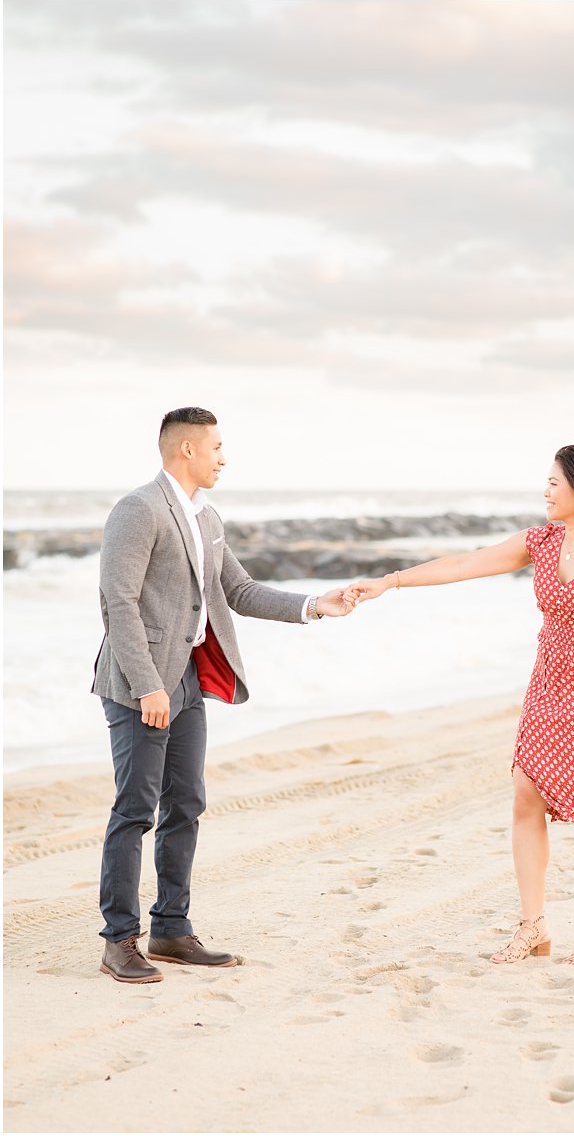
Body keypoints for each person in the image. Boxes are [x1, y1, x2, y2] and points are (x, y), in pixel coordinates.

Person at [348, 444, 574, 965]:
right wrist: (390, 582)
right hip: (549, 684)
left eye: (554, 482)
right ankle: (533, 927)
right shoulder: (542, 542)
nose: (546, 491)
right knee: (527, 796)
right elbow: (464, 564)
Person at [94, 407, 356, 984]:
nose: (223, 457)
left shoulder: (206, 516)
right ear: (186, 450)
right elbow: (119, 603)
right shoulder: (137, 510)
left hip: (186, 680)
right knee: (135, 809)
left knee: (186, 803)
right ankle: (119, 940)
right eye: (216, 447)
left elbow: (237, 590)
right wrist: (147, 686)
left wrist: (316, 604)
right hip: (142, 685)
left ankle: (170, 929)